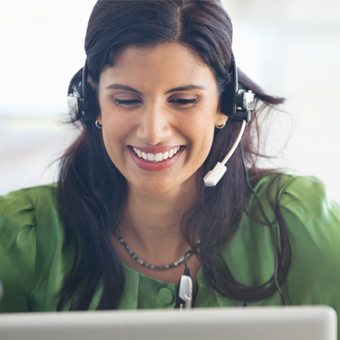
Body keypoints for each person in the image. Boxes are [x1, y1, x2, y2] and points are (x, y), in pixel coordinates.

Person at [0, 0, 340, 323]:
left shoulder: (299, 226)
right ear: (92, 104)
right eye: (126, 99)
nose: (153, 132)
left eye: (183, 100)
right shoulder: (19, 238)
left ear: (226, 105)